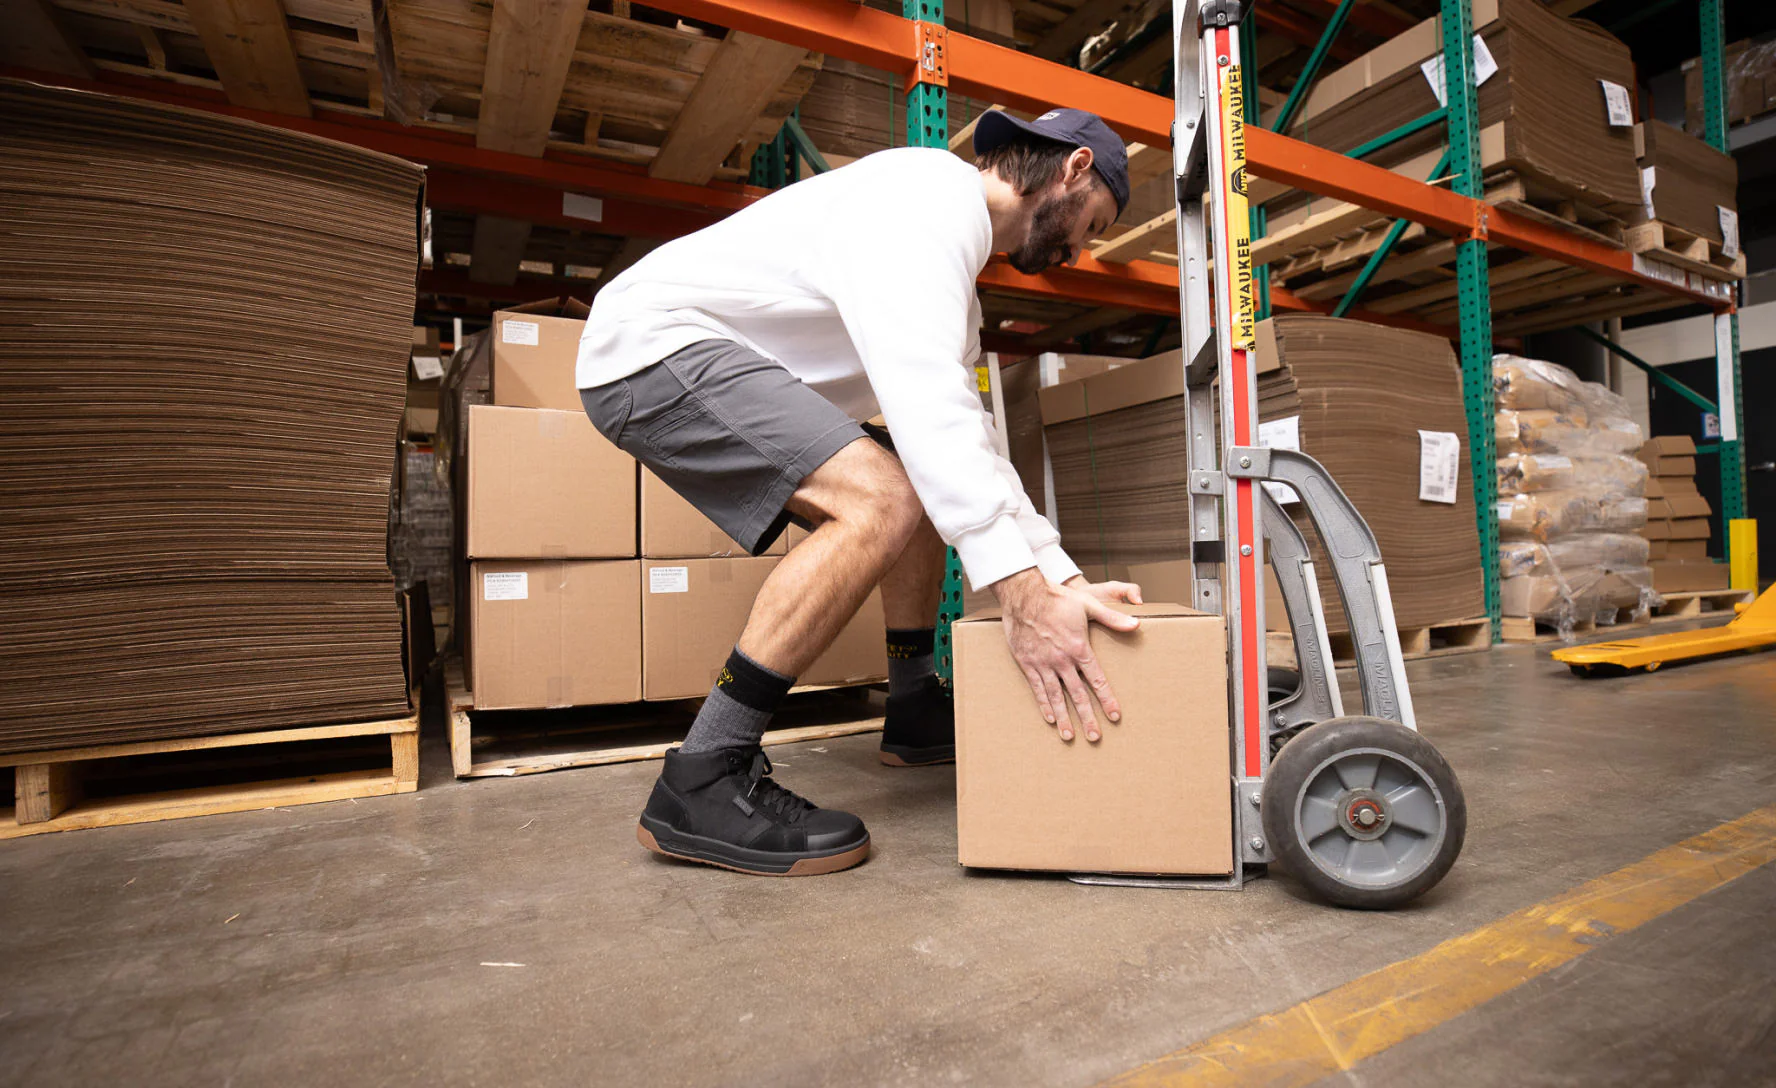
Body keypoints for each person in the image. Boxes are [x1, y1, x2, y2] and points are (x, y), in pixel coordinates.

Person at [578, 107, 1146, 877]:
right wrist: (1020, 593)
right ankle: (705, 773)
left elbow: (966, 439)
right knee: (881, 499)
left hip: (705, 355)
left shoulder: (954, 266)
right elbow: (929, 410)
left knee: (915, 473)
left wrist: (1059, 576)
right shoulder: (923, 205)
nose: (1081, 251)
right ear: (1074, 169)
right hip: (651, 347)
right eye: (1095, 224)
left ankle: (912, 705)